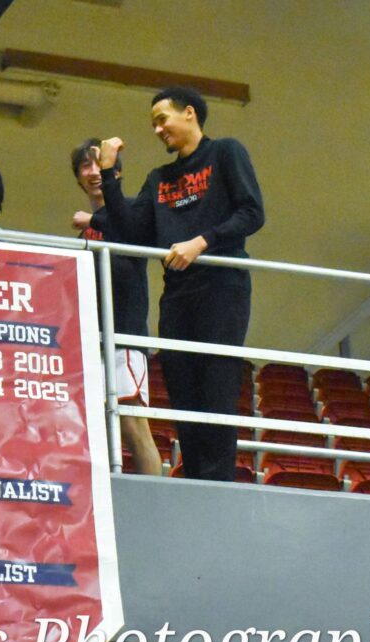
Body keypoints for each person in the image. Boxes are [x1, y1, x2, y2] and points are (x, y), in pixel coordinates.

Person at [94, 86, 264, 481]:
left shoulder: (226, 152)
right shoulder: (159, 178)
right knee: (182, 391)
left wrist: (202, 242)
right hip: (178, 295)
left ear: (189, 113)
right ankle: (195, 482)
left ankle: (217, 488)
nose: (157, 130)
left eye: (162, 119)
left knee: (217, 389)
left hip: (222, 289)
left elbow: (252, 212)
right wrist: (108, 174)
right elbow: (132, 231)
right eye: (153, 124)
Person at [71, 139, 162, 476]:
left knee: (133, 425)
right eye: (86, 165)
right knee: (95, 428)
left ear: (116, 173)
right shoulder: (85, 231)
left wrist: (94, 219)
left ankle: (156, 501)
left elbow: (131, 236)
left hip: (125, 334)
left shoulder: (131, 211)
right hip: (92, 339)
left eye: (100, 164)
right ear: (78, 177)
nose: (94, 171)